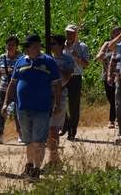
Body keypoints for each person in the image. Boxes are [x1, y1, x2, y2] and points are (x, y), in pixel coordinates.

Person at [3, 34, 60, 182]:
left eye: (28, 46)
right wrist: (5, 103)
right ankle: (29, 165)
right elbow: (13, 83)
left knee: (39, 141)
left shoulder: (48, 62)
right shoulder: (21, 61)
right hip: (22, 108)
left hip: (41, 108)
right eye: (26, 47)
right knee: (28, 141)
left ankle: (36, 169)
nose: (26, 49)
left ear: (36, 47)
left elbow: (56, 84)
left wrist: (58, 104)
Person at [47, 35, 74, 167]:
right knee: (46, 129)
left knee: (53, 129)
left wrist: (53, 67)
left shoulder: (67, 60)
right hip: (45, 96)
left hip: (60, 96)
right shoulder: (46, 58)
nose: (51, 46)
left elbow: (66, 78)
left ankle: (53, 159)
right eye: (50, 44)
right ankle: (54, 158)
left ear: (61, 45)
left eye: (54, 44)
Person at [0, 35, 21, 144]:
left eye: (12, 45)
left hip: (17, 88)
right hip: (3, 88)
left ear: (17, 46)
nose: (10, 47)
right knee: (0, 110)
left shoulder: (21, 58)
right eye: (8, 45)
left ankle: (21, 135)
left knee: (18, 111)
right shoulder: (2, 57)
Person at [61, 24, 89, 141]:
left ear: (76, 34)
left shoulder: (82, 46)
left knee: (74, 106)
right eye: (68, 32)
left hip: (75, 77)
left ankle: (72, 132)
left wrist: (76, 56)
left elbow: (86, 64)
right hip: (62, 76)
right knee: (59, 102)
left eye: (72, 32)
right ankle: (65, 124)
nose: (69, 35)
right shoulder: (61, 46)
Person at [95, 26, 121, 129]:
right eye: (115, 33)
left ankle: (113, 120)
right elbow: (98, 57)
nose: (118, 35)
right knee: (111, 99)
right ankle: (116, 118)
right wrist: (101, 56)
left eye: (119, 33)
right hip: (107, 76)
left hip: (119, 76)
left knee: (117, 98)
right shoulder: (107, 44)